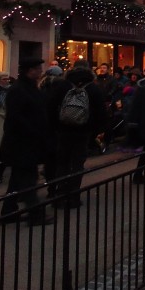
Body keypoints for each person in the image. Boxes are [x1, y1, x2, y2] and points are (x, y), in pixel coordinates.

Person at [0, 57, 54, 225]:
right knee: (28, 179)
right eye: (38, 69)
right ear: (30, 71)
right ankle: (36, 214)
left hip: (27, 142)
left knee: (17, 179)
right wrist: (35, 131)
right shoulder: (19, 90)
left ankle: (8, 211)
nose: (40, 72)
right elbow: (16, 118)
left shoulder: (28, 88)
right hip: (22, 143)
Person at [46, 66, 107, 208]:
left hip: (63, 130)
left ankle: (60, 195)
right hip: (83, 131)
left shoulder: (62, 87)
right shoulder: (93, 89)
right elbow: (100, 112)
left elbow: (50, 107)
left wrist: (55, 126)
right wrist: (96, 130)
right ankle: (74, 195)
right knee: (77, 164)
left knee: (63, 163)